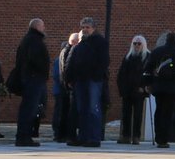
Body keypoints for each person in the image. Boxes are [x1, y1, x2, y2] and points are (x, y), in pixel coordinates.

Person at [143, 31, 175, 148]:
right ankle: (164, 139)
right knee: (168, 112)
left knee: (159, 110)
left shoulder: (157, 52)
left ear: (166, 39)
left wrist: (147, 83)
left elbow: (147, 68)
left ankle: (158, 137)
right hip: (173, 88)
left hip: (158, 87)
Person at [66, 16, 108, 148]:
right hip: (80, 80)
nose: (84, 29)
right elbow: (71, 61)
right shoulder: (80, 44)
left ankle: (94, 138)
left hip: (92, 80)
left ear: (93, 28)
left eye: (87, 27)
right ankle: (83, 137)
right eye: (83, 27)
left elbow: (104, 61)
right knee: (81, 110)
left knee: (93, 108)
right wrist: (69, 78)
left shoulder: (100, 42)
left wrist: (96, 75)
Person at [13, 18, 50, 147]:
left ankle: (23, 135)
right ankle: (24, 136)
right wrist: (43, 71)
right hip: (34, 78)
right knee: (29, 108)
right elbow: (35, 60)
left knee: (27, 107)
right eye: (43, 25)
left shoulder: (27, 39)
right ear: (37, 27)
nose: (44, 28)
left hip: (28, 78)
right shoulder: (35, 40)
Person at [116, 35, 149, 144]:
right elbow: (121, 74)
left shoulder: (147, 57)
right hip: (127, 90)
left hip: (139, 91)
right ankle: (126, 135)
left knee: (138, 114)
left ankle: (136, 136)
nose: (136, 46)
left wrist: (144, 88)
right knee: (126, 113)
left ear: (143, 45)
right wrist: (121, 88)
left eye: (139, 44)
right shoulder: (128, 57)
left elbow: (149, 74)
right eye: (134, 43)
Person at [52, 31, 79, 142]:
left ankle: (60, 133)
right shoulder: (65, 56)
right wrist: (67, 83)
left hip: (62, 87)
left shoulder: (61, 55)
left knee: (62, 111)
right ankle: (60, 133)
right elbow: (58, 74)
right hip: (63, 88)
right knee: (62, 111)